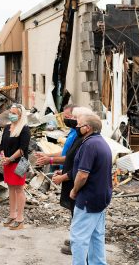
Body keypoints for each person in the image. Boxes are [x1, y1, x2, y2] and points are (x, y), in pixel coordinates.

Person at [69, 113, 112, 265]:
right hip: (101, 197)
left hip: (88, 197)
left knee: (78, 238)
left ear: (87, 128)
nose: (76, 127)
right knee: (96, 237)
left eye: (79, 125)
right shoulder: (101, 143)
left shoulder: (89, 145)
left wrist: (74, 191)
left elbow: (82, 175)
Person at [51, 106, 94, 255]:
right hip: (71, 177)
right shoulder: (77, 135)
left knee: (80, 215)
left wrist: (63, 176)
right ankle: (75, 240)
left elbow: (80, 170)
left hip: (79, 183)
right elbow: (69, 156)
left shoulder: (87, 142)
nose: (74, 123)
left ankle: (78, 245)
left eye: (77, 120)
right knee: (74, 212)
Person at [0, 103, 30, 230]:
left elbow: (23, 149)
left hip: (18, 163)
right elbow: (2, 144)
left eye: (14, 113)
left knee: (19, 188)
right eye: (10, 112)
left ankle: (20, 218)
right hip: (7, 162)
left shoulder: (24, 129)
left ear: (20, 115)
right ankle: (12, 215)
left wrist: (10, 158)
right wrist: (3, 157)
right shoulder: (7, 128)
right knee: (10, 188)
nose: (11, 115)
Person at [35, 104, 77, 169]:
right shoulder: (72, 130)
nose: (64, 120)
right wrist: (46, 155)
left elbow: (72, 158)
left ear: (75, 116)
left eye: (67, 117)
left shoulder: (78, 134)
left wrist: (50, 160)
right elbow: (65, 152)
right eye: (64, 117)